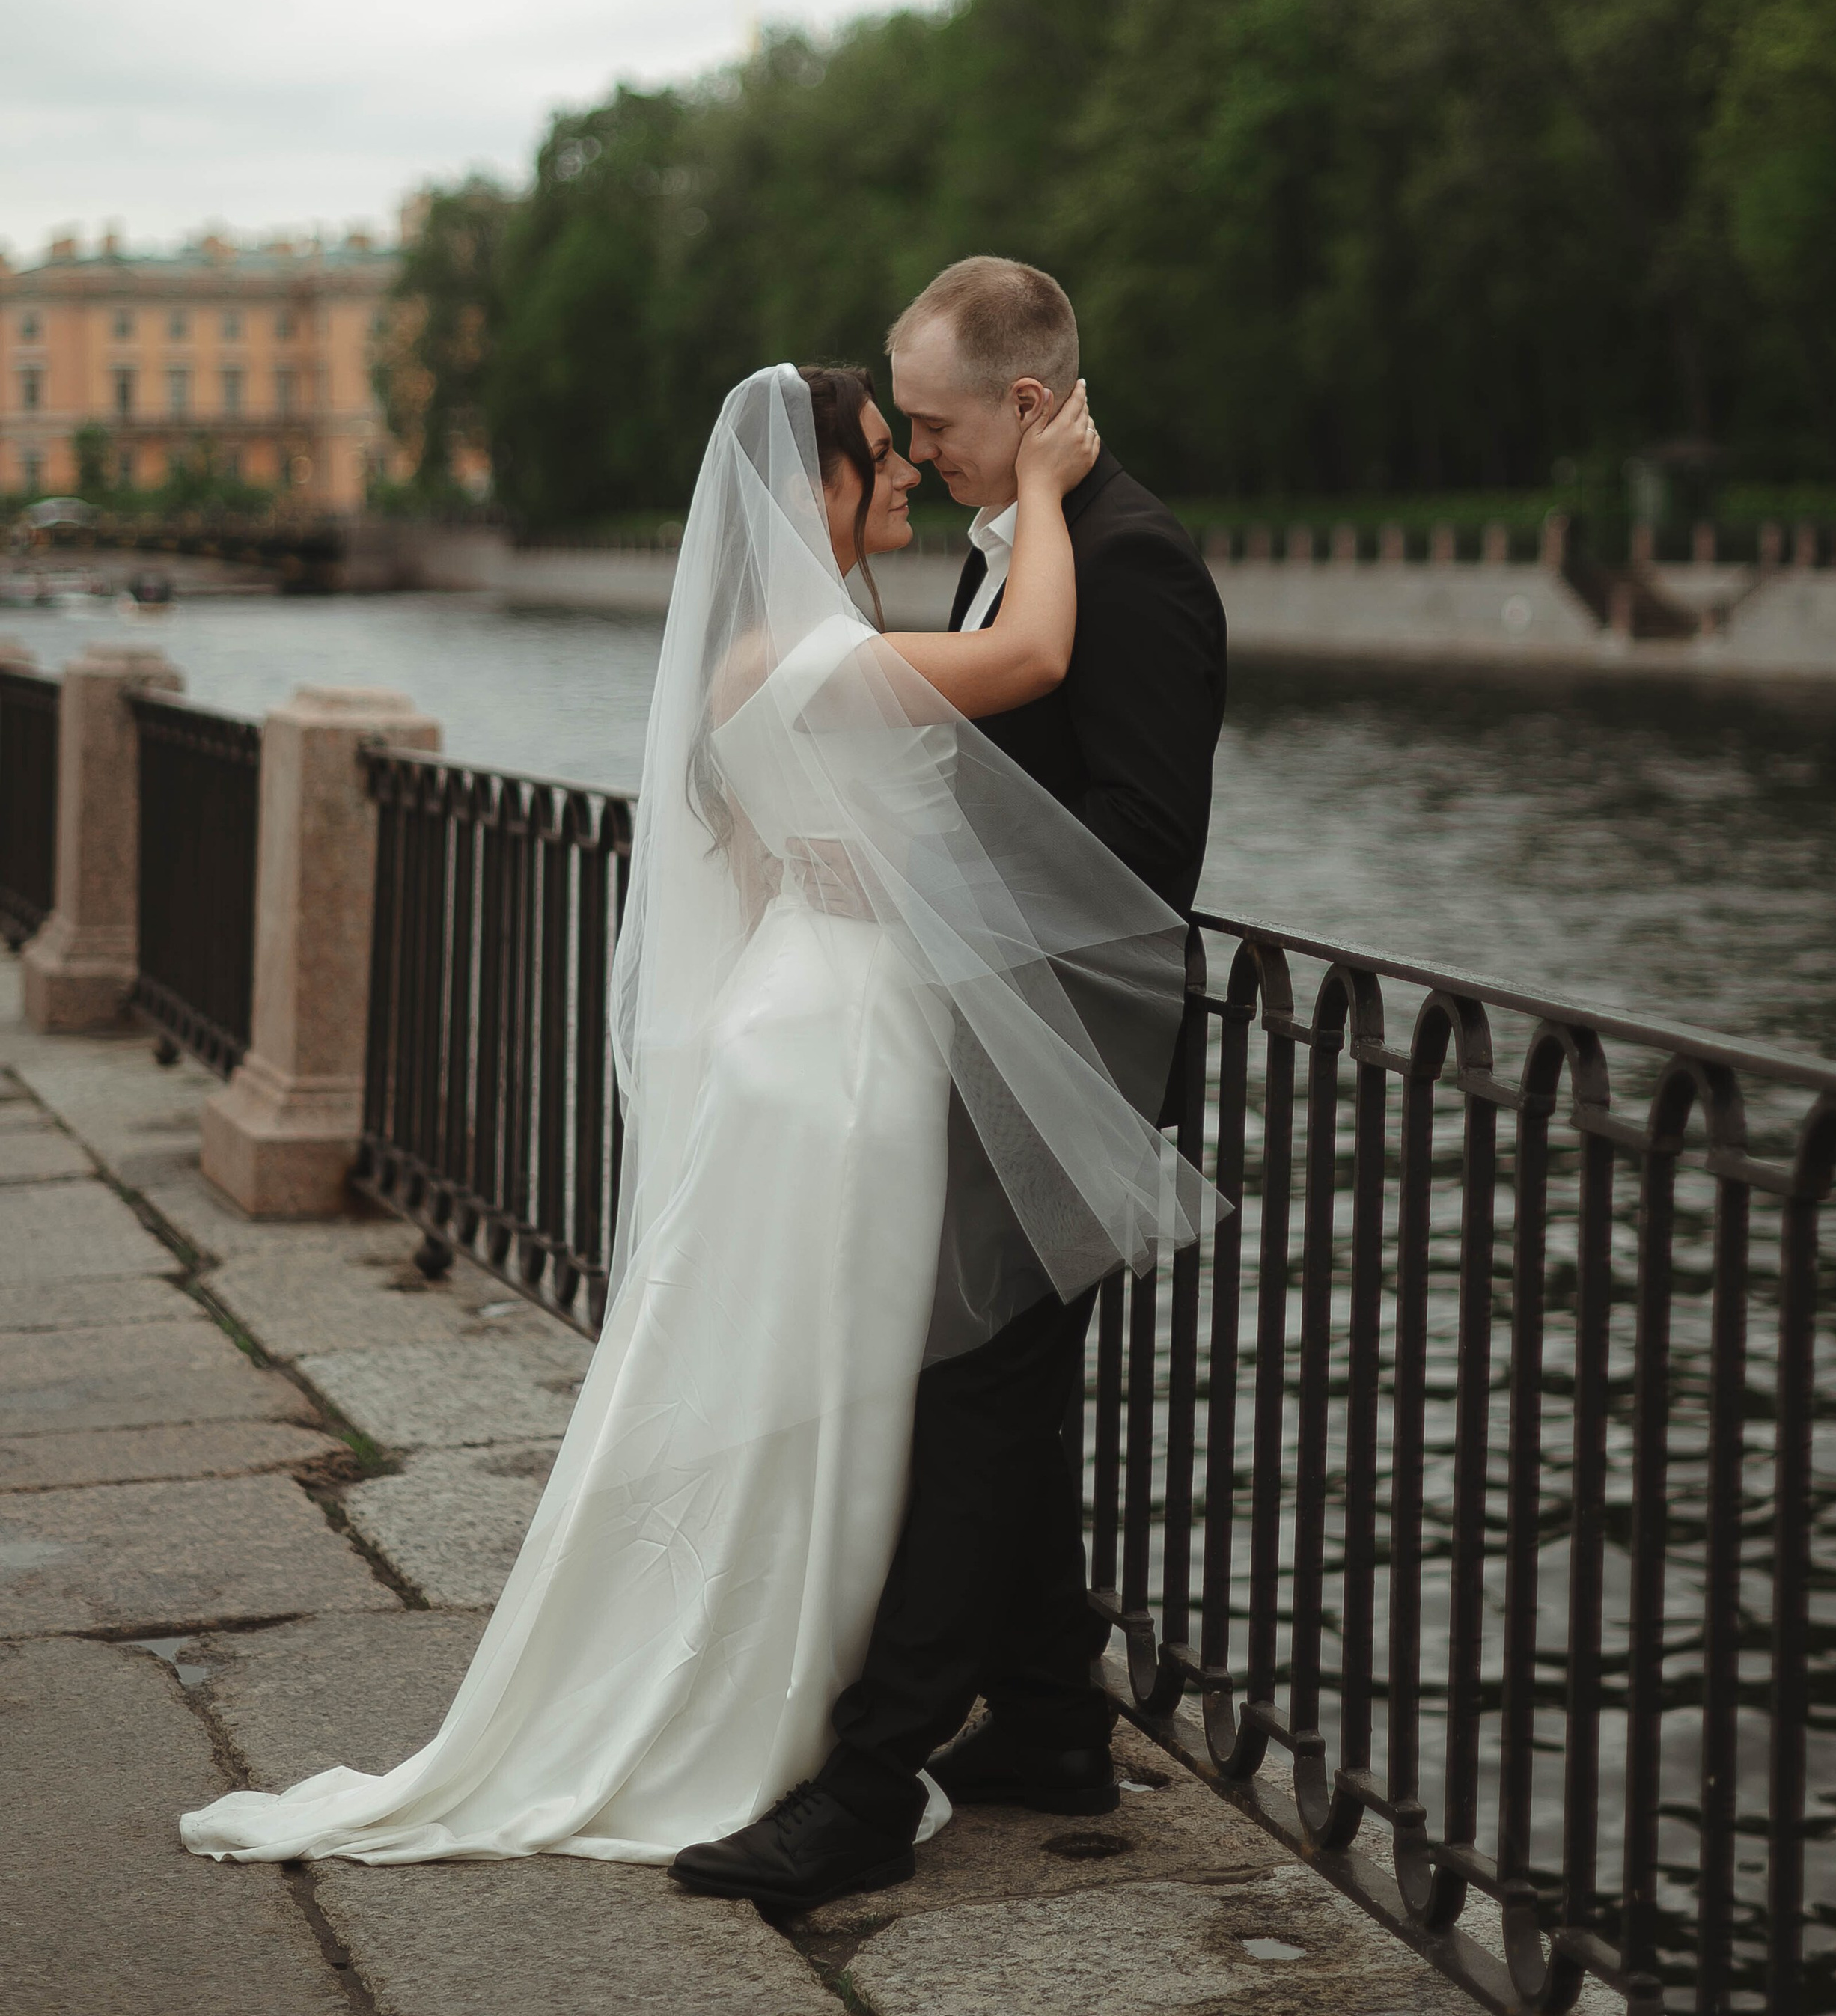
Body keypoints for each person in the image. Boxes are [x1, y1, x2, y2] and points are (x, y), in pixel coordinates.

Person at [181, 355, 1210, 1899]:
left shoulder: (776, 650)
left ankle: (1018, 1701)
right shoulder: (810, 653)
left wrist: (838, 882)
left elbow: (755, 860)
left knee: (863, 1382)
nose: (910, 472)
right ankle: (794, 1721)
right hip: (843, 1053)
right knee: (852, 1385)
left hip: (808, 1022)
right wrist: (1050, 488)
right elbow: (1041, 648)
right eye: (887, 451)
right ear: (818, 489)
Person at [674, 260, 1227, 1907]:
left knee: (971, 1397)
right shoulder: (1020, 557)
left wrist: (906, 891)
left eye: (935, 422)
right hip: (974, 1035)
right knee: (997, 1398)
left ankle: (863, 1782)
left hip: (1065, 1043)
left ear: (1030, 404)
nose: (919, 451)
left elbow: (1138, 859)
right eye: (894, 430)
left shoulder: (1131, 568)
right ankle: (1051, 1718)